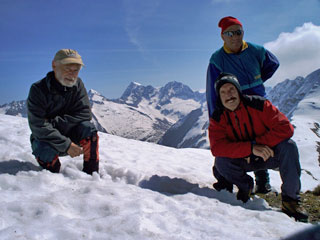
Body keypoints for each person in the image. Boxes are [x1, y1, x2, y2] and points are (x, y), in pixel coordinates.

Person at [208, 73, 308, 222]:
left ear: (238, 91)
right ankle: (245, 187)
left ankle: (290, 201)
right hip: (243, 158)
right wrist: (250, 148)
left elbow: (286, 128)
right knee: (220, 161)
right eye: (223, 92)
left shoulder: (259, 105)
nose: (228, 95)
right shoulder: (218, 117)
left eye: (231, 90)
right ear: (219, 97)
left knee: (289, 147)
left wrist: (260, 144)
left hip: (267, 154)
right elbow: (217, 147)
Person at [206, 16, 280, 193]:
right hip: (233, 106)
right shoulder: (217, 59)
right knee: (236, 140)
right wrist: (214, 115)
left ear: (242, 32)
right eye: (229, 33)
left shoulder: (256, 50)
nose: (234, 37)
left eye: (237, 32)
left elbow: (273, 63)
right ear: (223, 36)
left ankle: (263, 182)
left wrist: (258, 79)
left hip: (258, 103)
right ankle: (226, 179)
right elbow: (213, 90)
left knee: (260, 137)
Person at [27, 49, 99, 175]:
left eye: (75, 70)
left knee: (89, 129)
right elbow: (38, 126)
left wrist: (51, 123)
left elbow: (85, 114)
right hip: (47, 140)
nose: (72, 74)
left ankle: (91, 173)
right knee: (45, 153)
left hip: (70, 136)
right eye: (67, 68)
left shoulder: (78, 85)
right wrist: (66, 145)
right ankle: (53, 181)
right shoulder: (38, 89)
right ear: (54, 65)